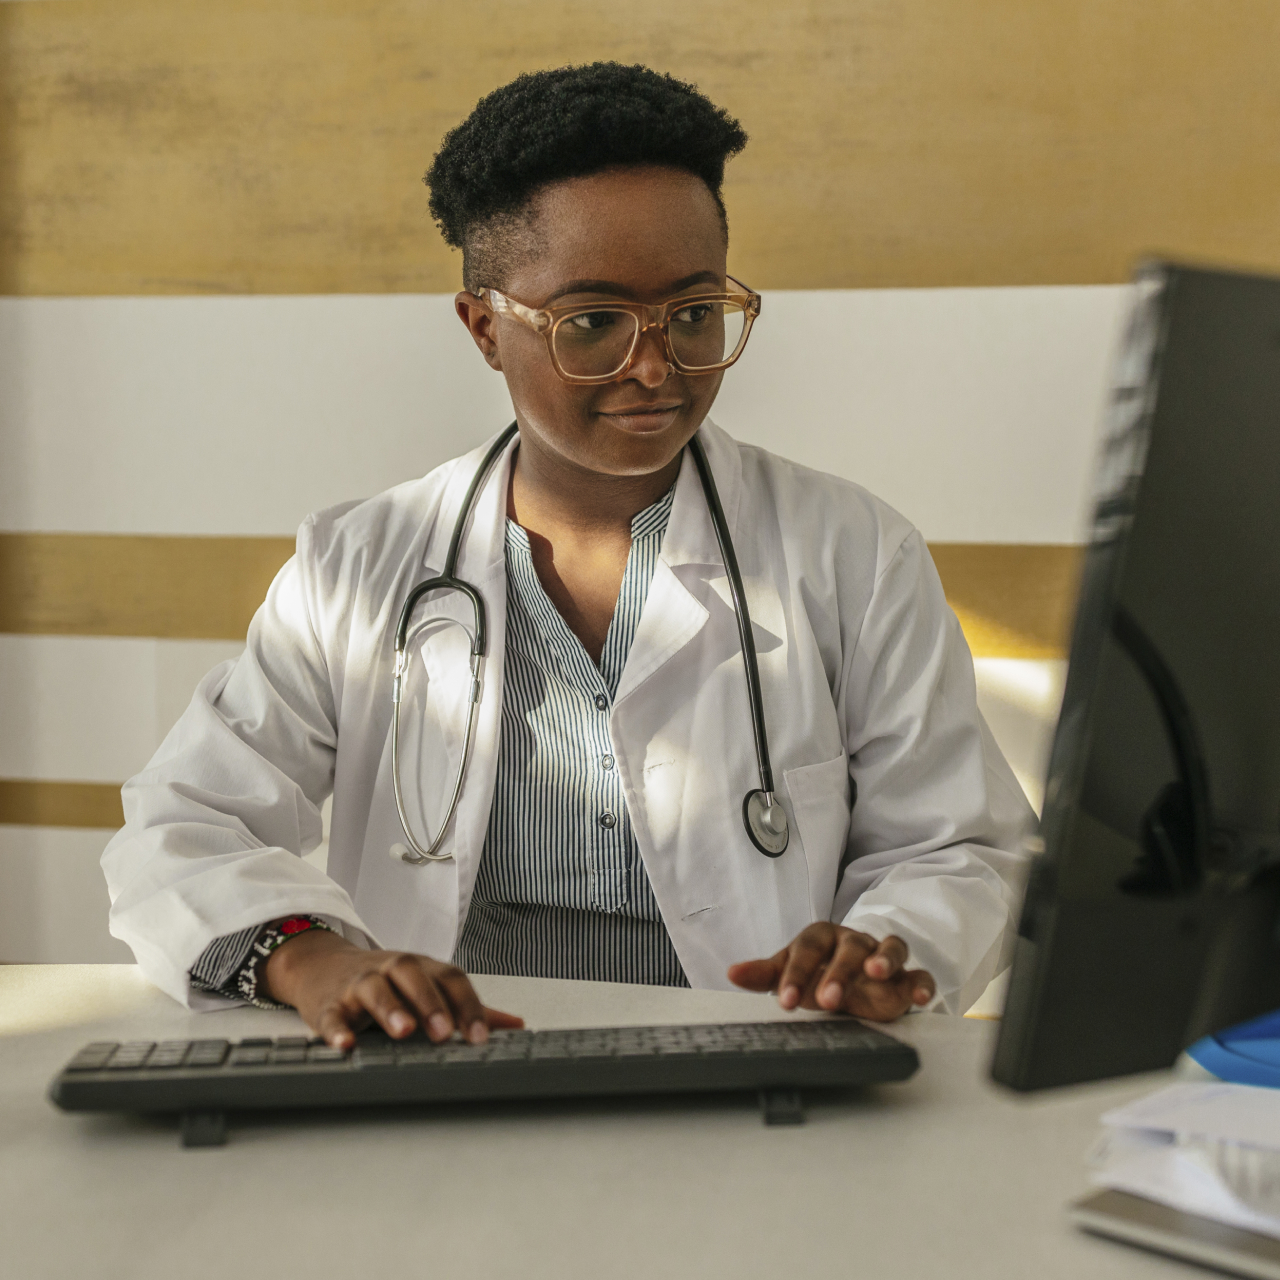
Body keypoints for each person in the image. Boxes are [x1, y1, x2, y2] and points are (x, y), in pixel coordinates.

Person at [103, 62, 1033, 1051]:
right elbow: (184, 822)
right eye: (592, 321)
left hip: (746, 1064)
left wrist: (877, 948)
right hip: (444, 1068)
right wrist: (316, 958)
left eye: (692, 313)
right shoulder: (359, 563)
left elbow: (958, 843)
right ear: (484, 329)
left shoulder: (850, 552)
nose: (651, 365)